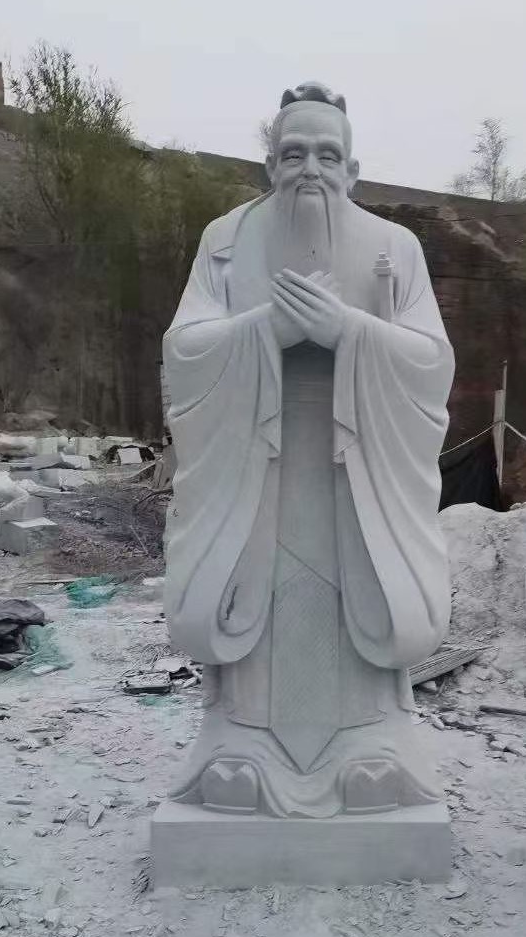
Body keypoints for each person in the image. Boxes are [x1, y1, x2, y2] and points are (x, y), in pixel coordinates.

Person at [163, 82, 455, 817]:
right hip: (256, 472)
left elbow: (431, 362)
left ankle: (371, 742)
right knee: (256, 600)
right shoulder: (224, 243)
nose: (311, 170)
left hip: (356, 475)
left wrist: (348, 332)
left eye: (328, 155)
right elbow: (185, 350)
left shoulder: (396, 247)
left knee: (358, 596)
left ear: (353, 169)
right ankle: (241, 742)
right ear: (269, 164)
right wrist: (266, 329)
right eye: (293, 154)